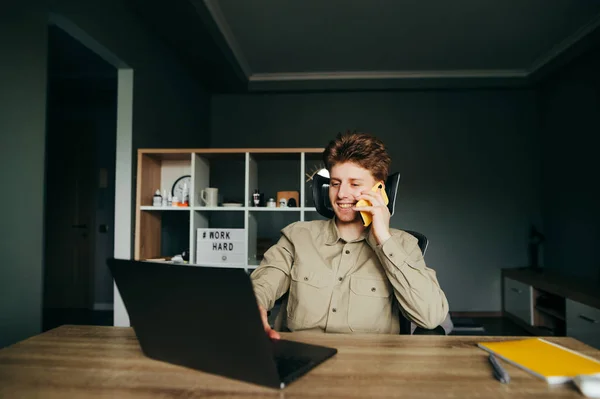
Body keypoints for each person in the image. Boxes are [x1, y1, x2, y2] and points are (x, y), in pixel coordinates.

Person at [251, 131, 449, 339]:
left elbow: (431, 317)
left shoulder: (404, 245)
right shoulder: (298, 236)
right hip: (302, 357)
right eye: (335, 183)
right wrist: (255, 306)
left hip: (371, 364)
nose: (342, 194)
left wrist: (383, 237)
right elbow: (263, 283)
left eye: (355, 184)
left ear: (380, 189)